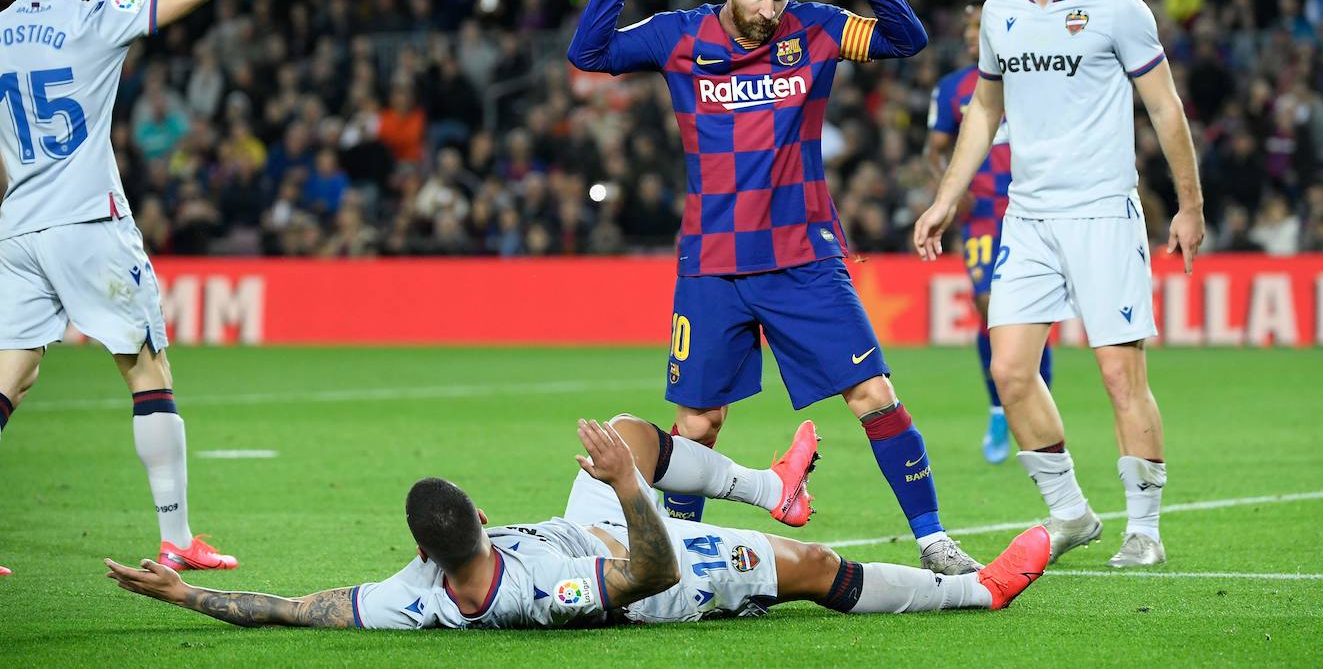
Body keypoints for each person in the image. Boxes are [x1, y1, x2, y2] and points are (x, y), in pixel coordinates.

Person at [567, 0, 981, 574]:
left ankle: (934, 539)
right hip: (713, 264)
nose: (769, 9)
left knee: (873, 394)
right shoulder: (679, 36)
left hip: (803, 258)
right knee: (698, 425)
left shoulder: (815, 31)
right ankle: (678, 560)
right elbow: (587, 51)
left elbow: (906, 40)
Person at [913, 0, 1205, 568]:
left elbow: (1165, 107)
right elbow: (984, 111)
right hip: (1030, 217)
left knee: (1118, 374)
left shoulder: (1117, 9)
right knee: (1011, 369)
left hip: (1103, 211)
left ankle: (1145, 529)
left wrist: (1190, 204)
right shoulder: (1002, 13)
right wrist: (945, 199)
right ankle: (1072, 513)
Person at [104, 415, 1051, 628]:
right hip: (640, 568)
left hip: (575, 529)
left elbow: (294, 609)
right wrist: (632, 494)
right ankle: (980, 591)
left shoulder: (411, 593)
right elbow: (651, 573)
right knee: (808, 565)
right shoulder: (538, 594)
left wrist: (190, 593)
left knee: (631, 429)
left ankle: (769, 483)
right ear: (477, 518)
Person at [0, 0, 237, 575]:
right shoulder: (97, 18)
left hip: (17, 229)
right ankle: (177, 539)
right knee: (146, 371)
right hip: (89, 225)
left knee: (11, 378)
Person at [925, 0, 1053, 464]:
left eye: (977, 27)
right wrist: (951, 188)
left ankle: (1036, 410)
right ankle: (1000, 407)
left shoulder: (1033, 80)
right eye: (966, 29)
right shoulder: (953, 89)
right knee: (990, 305)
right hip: (982, 217)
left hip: (1031, 208)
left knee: (1032, 315)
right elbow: (933, 149)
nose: (969, 36)